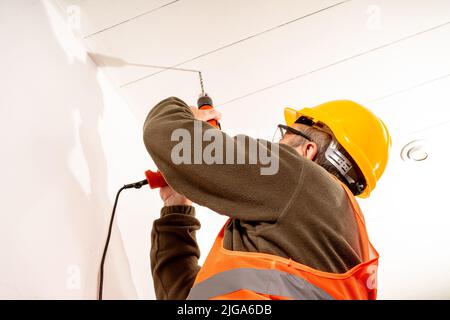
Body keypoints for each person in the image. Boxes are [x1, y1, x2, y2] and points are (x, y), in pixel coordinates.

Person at [143, 96, 391, 300]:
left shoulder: (299, 177)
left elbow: (165, 133)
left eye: (285, 136)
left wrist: (185, 114)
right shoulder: (339, 244)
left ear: (308, 150)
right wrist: (176, 207)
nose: (277, 146)